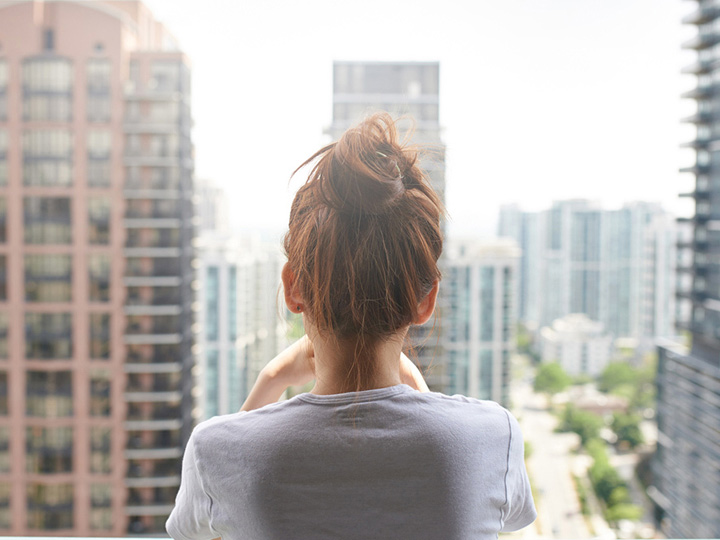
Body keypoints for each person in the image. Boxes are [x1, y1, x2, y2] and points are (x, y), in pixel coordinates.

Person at [166, 113, 536, 540]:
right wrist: (416, 390)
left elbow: (207, 520)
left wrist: (270, 380)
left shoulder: (215, 449)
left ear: (292, 288)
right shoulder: (493, 435)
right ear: (426, 300)